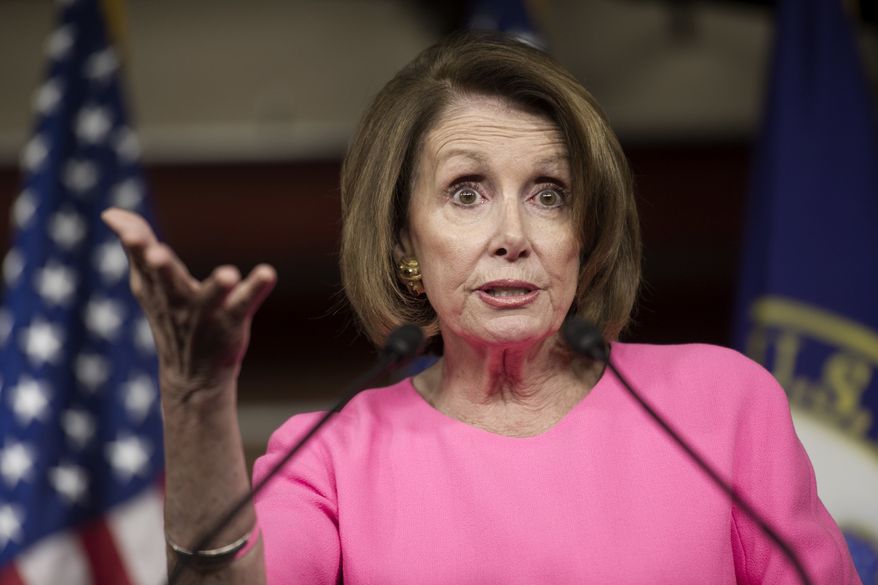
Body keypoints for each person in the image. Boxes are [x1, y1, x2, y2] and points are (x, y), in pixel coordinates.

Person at [103, 33, 860, 585]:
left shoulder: (723, 406)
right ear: (406, 238)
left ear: (585, 235)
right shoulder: (332, 454)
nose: (512, 236)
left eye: (549, 194)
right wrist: (197, 399)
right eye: (467, 192)